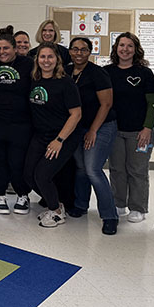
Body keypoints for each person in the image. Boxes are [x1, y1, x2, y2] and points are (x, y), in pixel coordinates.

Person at [24, 43, 82, 228]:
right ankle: (55, 203)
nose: (46, 60)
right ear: (37, 59)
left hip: (62, 137)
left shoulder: (66, 82)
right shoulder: (35, 79)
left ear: (57, 60)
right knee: (28, 175)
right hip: (40, 135)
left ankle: (56, 211)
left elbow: (76, 114)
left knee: (42, 175)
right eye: (42, 57)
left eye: (50, 57)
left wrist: (59, 140)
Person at [65, 36, 118, 235]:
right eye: (75, 49)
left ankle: (110, 216)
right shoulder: (67, 71)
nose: (79, 53)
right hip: (77, 127)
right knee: (80, 168)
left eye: (83, 49)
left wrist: (93, 130)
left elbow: (106, 104)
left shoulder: (98, 73)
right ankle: (81, 205)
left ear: (90, 52)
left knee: (93, 169)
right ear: (69, 51)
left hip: (101, 126)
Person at [105, 32, 154, 223]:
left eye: (129, 46)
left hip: (140, 131)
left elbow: (153, 103)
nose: (125, 49)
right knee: (117, 169)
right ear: (116, 48)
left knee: (137, 170)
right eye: (121, 45)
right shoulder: (107, 72)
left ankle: (138, 208)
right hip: (115, 130)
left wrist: (147, 128)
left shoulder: (144, 73)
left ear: (136, 50)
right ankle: (119, 203)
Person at [0, 33, 33, 216]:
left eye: (6, 48)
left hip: (20, 124)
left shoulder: (27, 64)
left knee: (17, 161)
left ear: (15, 49)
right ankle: (0, 195)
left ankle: (22, 195)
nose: (2, 52)